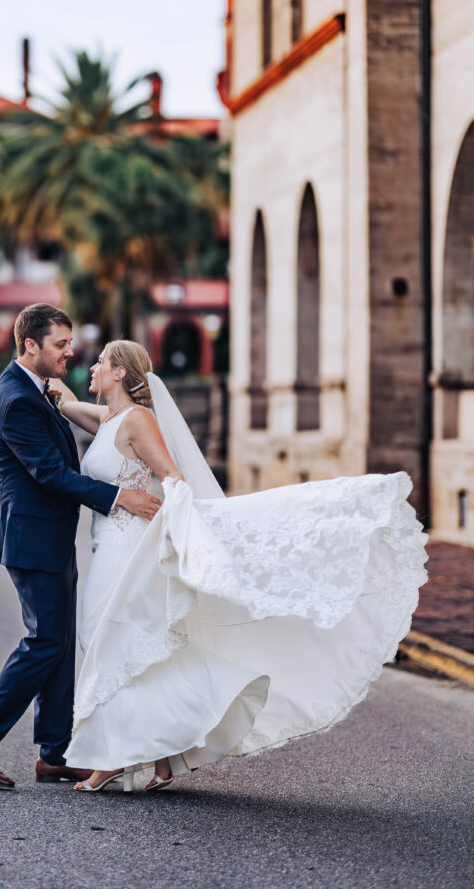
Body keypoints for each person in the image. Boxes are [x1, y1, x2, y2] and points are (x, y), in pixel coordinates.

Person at [51, 340, 428, 793]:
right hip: (105, 542)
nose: (91, 367)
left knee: (112, 640)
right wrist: (56, 392)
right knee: (112, 641)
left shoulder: (138, 420)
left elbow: (174, 477)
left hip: (129, 545)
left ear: (118, 373)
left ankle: (114, 760)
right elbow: (78, 411)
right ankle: (161, 757)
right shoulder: (110, 418)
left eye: (100, 362)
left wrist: (179, 529)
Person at [0, 306, 161, 790]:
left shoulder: (35, 390)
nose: (71, 350)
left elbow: (107, 425)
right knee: (45, 641)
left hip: (48, 534)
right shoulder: (15, 398)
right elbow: (50, 473)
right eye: (61, 343)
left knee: (59, 641)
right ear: (30, 345)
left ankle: (56, 751)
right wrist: (118, 497)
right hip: (31, 535)